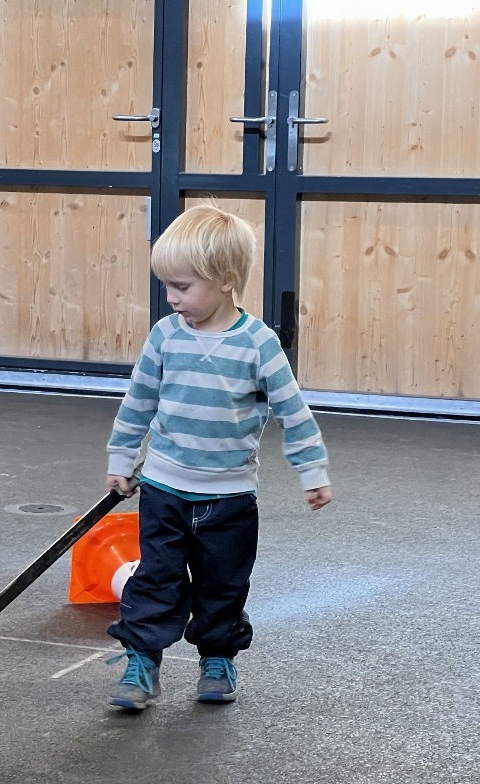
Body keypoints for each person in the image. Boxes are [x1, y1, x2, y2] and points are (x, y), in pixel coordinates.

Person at [103, 204, 331, 710]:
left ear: (226, 280)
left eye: (182, 287)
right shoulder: (165, 336)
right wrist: (122, 458)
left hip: (227, 498)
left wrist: (311, 471)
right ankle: (142, 661)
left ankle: (217, 659)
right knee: (154, 578)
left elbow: (293, 412)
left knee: (222, 585)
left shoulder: (258, 345)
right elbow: (138, 401)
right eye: (167, 286)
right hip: (163, 488)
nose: (171, 298)